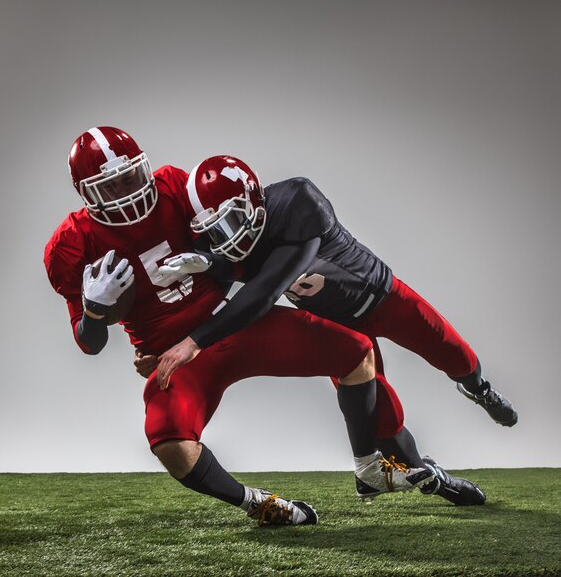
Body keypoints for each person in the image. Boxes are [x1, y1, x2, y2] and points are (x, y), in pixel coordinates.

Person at [44, 127, 434, 527]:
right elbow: (89, 344)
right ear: (86, 193)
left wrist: (213, 282)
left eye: (132, 175)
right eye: (113, 184)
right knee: (170, 444)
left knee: (357, 351)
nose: (129, 189)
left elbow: (235, 260)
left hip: (232, 321)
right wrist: (93, 311)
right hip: (174, 357)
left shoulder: (175, 186)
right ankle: (258, 504)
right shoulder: (70, 244)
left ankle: (368, 467)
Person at [150, 155, 519, 506]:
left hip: (381, 296)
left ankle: (479, 390)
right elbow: (203, 300)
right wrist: (159, 340)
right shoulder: (219, 246)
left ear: (254, 201)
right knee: (385, 426)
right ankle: (435, 480)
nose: (226, 238)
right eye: (215, 231)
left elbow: (263, 291)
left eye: (231, 222)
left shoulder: (298, 200)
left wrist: (195, 333)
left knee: (455, 354)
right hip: (337, 325)